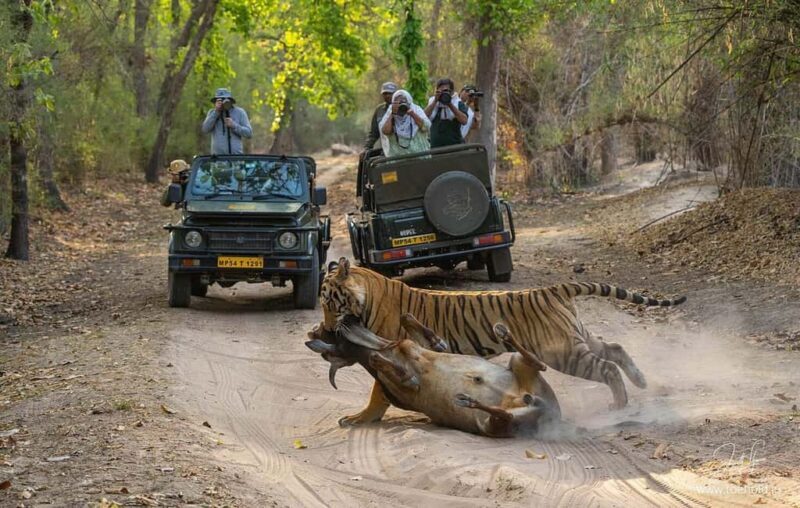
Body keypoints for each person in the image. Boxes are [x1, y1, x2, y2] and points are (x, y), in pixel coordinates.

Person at [378, 89, 431, 157]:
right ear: (394, 103)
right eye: (398, 103)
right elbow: (385, 131)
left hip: (420, 157)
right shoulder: (390, 112)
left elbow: (426, 127)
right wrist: (392, 114)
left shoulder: (416, 110)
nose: (401, 105)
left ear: (409, 102)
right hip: (398, 160)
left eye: (403, 102)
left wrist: (412, 113)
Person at [201, 88, 252, 155]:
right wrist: (216, 112)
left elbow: (249, 133)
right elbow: (205, 129)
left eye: (225, 99)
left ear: (230, 101)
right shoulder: (212, 113)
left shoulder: (240, 112)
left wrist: (234, 125)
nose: (222, 102)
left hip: (236, 158)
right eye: (219, 100)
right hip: (217, 159)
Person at [424, 78, 468, 148]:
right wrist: (435, 101)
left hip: (455, 149)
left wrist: (449, 104)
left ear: (452, 91)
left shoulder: (458, 103)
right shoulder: (433, 103)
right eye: (441, 91)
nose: (444, 93)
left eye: (446, 91)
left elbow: (464, 121)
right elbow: (423, 117)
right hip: (435, 149)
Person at [363, 81, 398, 151]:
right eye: (385, 93)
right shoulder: (379, 110)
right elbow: (374, 133)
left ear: (396, 94)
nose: (387, 95)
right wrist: (367, 148)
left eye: (390, 93)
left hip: (403, 147)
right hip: (387, 149)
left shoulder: (404, 107)